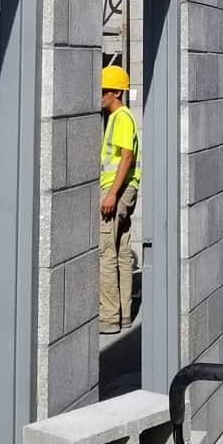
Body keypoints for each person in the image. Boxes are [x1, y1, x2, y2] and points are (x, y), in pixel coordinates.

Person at [99, 64, 141, 334]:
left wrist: (112, 193)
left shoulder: (121, 117)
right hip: (125, 189)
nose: (100, 95)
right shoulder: (117, 118)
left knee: (105, 252)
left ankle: (109, 316)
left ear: (116, 92)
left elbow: (126, 155)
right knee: (122, 252)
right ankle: (124, 314)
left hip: (118, 192)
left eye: (104, 91)